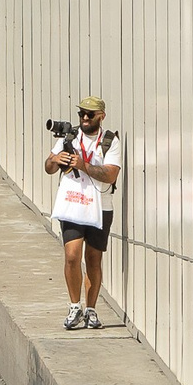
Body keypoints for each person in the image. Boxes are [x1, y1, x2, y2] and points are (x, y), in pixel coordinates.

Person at [46, 95, 122, 329]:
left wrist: (83, 166)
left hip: (100, 207)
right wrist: (57, 159)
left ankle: (91, 310)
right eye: (82, 114)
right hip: (73, 205)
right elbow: (48, 168)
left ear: (101, 116)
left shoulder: (110, 141)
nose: (85, 118)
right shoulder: (69, 136)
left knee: (93, 259)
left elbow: (110, 175)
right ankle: (74, 306)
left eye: (90, 114)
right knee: (72, 256)